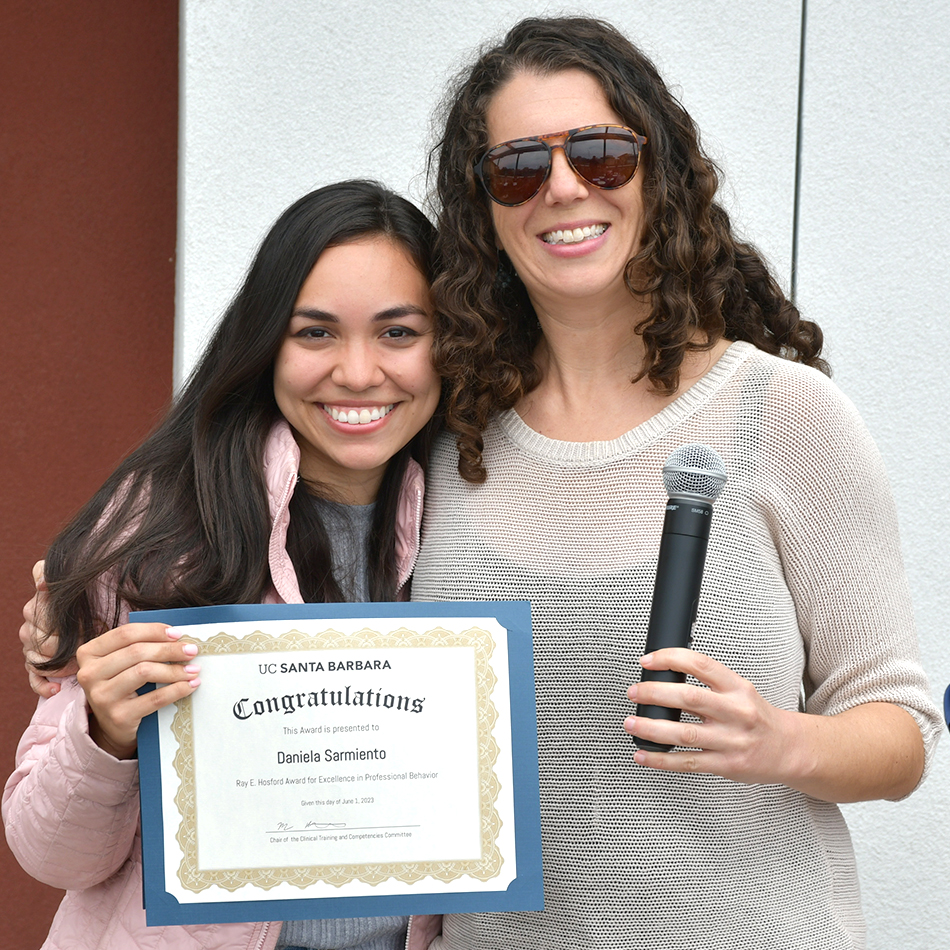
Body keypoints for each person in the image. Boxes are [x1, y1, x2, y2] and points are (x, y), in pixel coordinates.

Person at [406, 15, 942, 950]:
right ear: (482, 209)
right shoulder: (445, 437)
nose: (564, 187)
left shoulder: (782, 414)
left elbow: (900, 734)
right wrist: (79, 611)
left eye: (603, 154)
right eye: (518, 168)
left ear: (658, 173)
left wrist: (781, 742)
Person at [4, 180, 444, 950]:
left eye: (398, 333)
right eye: (316, 333)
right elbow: (53, 856)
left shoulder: (478, 522)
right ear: (266, 341)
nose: (359, 372)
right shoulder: (163, 522)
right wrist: (100, 731)